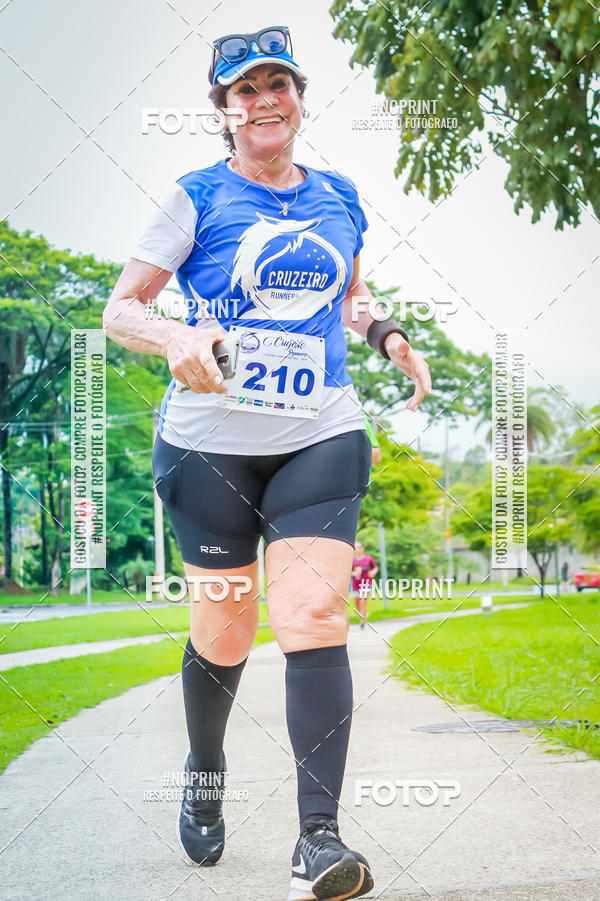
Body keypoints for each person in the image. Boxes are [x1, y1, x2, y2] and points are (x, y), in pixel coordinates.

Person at [103, 24, 432, 901]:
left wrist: (387, 334)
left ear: (298, 96)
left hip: (321, 428)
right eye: (245, 90)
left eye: (277, 83)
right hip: (209, 445)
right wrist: (175, 334)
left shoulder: (338, 195)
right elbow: (121, 309)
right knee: (225, 629)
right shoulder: (194, 197)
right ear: (223, 109)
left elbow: (350, 293)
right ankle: (205, 770)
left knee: (314, 608)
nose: (265, 100)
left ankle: (316, 842)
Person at [351, 541, 378, 628]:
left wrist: (373, 572)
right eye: (355, 547)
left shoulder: (368, 559)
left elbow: (375, 568)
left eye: (359, 547)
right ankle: (364, 614)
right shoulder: (352, 560)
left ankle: (362, 622)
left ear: (362, 549)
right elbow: (348, 571)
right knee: (357, 605)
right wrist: (353, 573)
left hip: (366, 584)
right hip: (355, 585)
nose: (357, 549)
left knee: (363, 602)